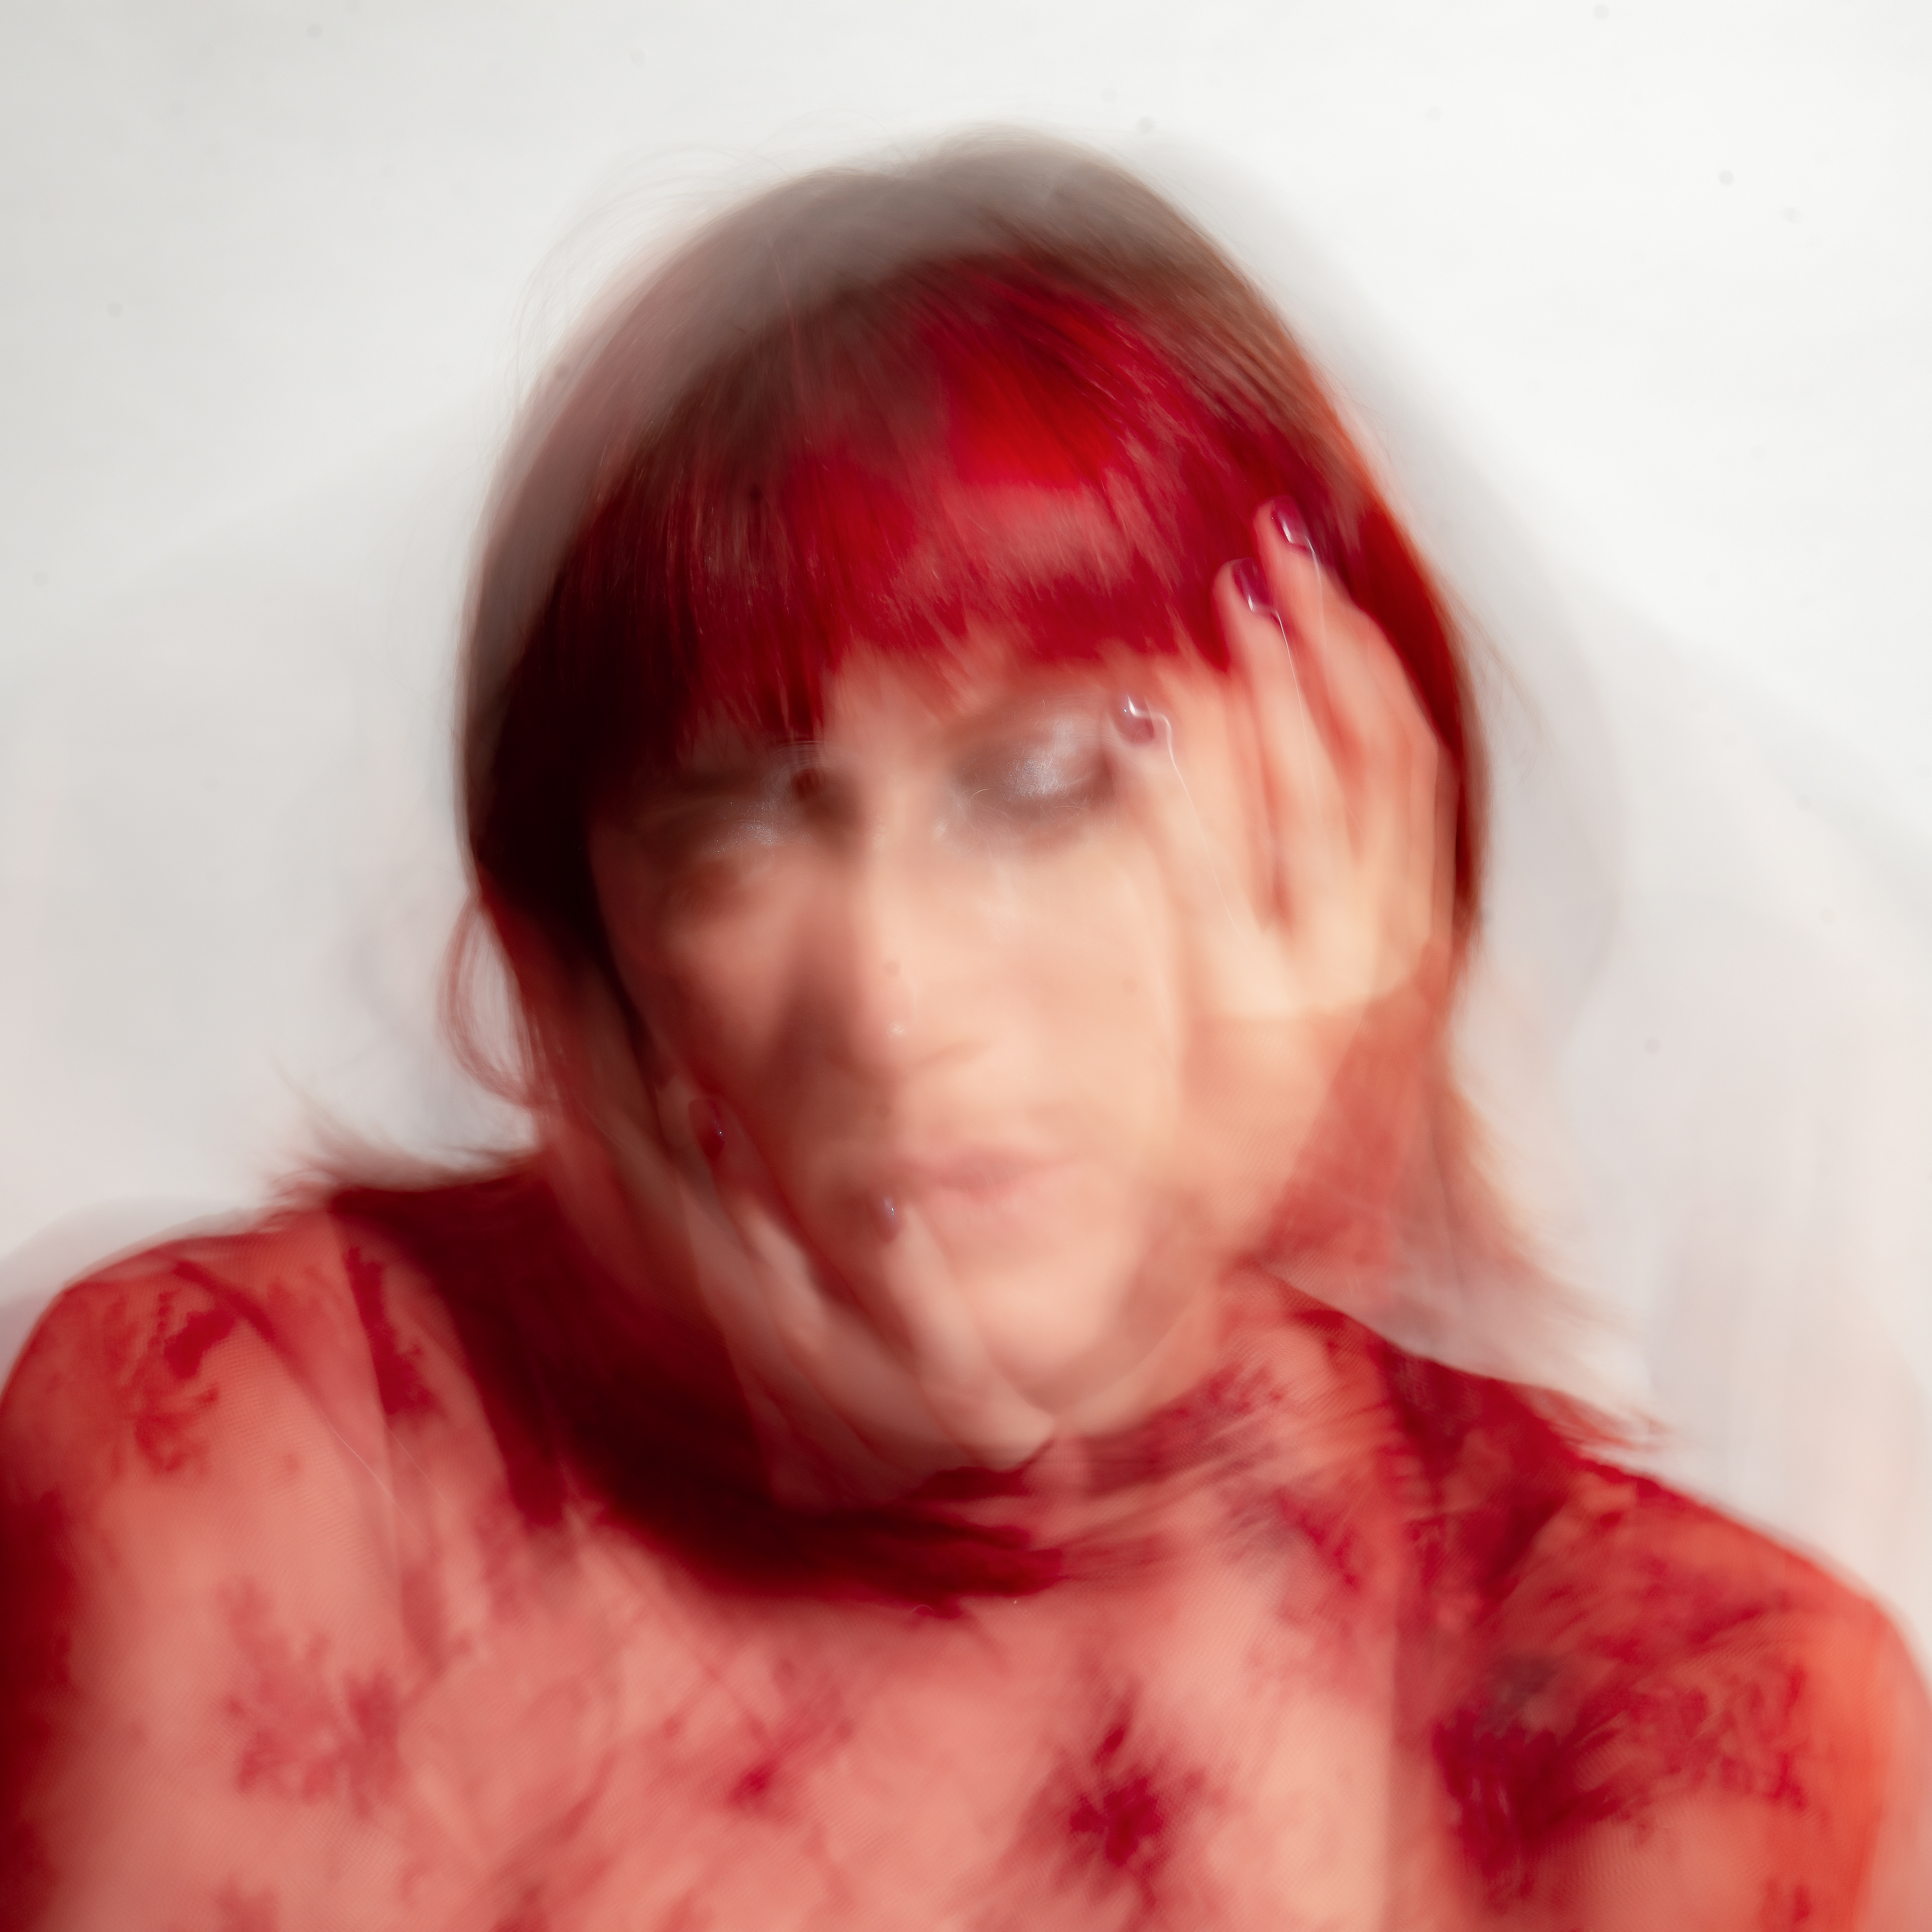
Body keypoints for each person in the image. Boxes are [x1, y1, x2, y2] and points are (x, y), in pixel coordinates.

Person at [2, 138, 1925, 1931]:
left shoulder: (1693, 1701)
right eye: (746, 815)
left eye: (1051, 784)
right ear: (589, 934)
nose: (891, 996)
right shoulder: (269, 1439)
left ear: (1350, 803)